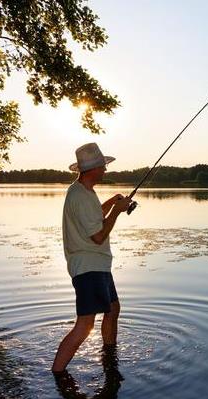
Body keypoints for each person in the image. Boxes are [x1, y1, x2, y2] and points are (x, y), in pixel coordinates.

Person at [52, 142, 132, 373]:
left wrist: (111, 204)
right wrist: (117, 211)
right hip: (88, 266)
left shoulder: (84, 192)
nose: (105, 170)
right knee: (85, 324)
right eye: (103, 167)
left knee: (113, 309)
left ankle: (109, 355)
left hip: (97, 264)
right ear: (93, 169)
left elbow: (94, 217)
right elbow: (97, 236)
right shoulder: (80, 195)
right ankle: (57, 373)